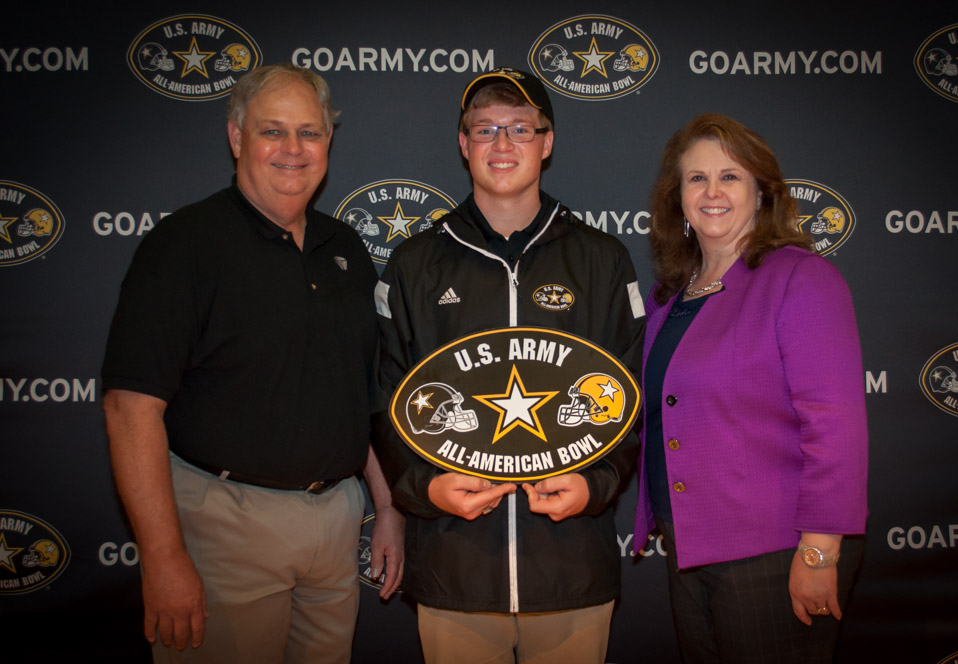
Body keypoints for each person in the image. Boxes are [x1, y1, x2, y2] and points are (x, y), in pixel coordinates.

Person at [101, 63, 403, 663]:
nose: (293, 149)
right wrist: (162, 558)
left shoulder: (343, 249)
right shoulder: (184, 246)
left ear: (328, 142)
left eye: (310, 133)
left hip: (336, 522)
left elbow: (359, 395)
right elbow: (129, 408)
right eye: (273, 131)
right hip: (225, 524)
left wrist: (387, 504)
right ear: (237, 137)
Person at [373, 67, 645, 663]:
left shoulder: (601, 258)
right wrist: (426, 488)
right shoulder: (416, 264)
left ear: (547, 142)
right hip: (455, 568)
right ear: (463, 143)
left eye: (521, 128)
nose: (502, 144)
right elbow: (385, 398)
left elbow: (631, 397)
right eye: (485, 129)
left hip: (570, 569)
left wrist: (594, 485)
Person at [632, 113, 868, 662]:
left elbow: (835, 425)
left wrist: (818, 553)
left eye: (731, 176)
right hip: (688, 543)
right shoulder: (668, 295)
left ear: (762, 191)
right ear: (678, 198)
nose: (712, 192)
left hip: (775, 552)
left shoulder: (799, 277)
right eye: (696, 179)